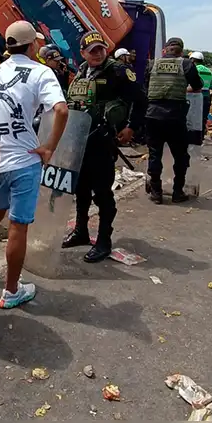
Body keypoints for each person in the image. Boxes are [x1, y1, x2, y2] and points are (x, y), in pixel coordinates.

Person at [0, 21, 68, 309]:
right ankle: (12, 290)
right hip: (25, 158)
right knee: (19, 224)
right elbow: (61, 109)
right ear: (32, 45)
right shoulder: (41, 72)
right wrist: (49, 147)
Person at [61, 32, 145, 262]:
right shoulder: (81, 72)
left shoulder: (117, 71)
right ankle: (81, 231)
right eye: (92, 50)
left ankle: (104, 241)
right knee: (81, 189)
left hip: (102, 140)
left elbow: (140, 100)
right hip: (81, 140)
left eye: (100, 49)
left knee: (103, 193)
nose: (97, 53)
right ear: (83, 53)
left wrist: (131, 128)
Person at [143, 37, 202, 204]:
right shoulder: (186, 64)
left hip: (153, 116)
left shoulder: (152, 64)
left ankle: (156, 192)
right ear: (181, 52)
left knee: (155, 154)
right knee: (180, 156)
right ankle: (177, 192)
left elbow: (146, 88)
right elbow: (197, 86)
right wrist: (184, 88)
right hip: (175, 117)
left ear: (165, 50)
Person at [189, 52, 212, 140]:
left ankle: (192, 136)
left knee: (192, 116)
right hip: (206, 96)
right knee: (204, 116)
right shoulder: (209, 71)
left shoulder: (192, 69)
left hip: (194, 96)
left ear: (192, 60)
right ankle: (201, 136)